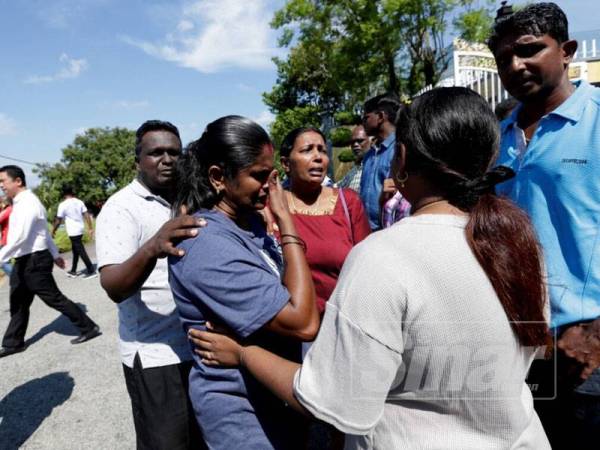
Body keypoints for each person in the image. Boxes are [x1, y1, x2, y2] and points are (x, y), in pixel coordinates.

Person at [190, 88, 552, 449]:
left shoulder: (383, 257)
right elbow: (534, 359)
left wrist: (242, 353)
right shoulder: (520, 246)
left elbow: (329, 402)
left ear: (402, 158)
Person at [168, 115, 320, 450]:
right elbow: (302, 320)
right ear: (218, 177)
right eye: (258, 176)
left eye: (272, 175)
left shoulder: (249, 224)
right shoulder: (204, 244)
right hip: (244, 413)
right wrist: (287, 223)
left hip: (276, 396)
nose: (270, 186)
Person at [488, 3, 600, 447]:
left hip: (587, 356)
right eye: (503, 59)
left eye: (530, 50)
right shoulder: (499, 138)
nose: (515, 65)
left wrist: (594, 332)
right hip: (521, 351)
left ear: (567, 50)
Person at [96, 120, 205, 450]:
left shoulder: (190, 198)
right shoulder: (121, 208)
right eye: (156, 153)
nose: (167, 159)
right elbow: (113, 285)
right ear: (137, 160)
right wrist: (153, 247)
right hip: (156, 356)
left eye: (174, 152)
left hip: (200, 348)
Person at [0, 165, 101, 358]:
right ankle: (13, 343)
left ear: (18, 181)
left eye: (3, 181)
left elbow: (20, 237)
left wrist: (1, 257)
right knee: (18, 301)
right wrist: (55, 254)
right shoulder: (20, 203)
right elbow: (44, 233)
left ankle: (89, 328)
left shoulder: (28, 203)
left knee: (54, 298)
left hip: (34, 261)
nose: (1, 186)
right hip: (25, 260)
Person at [280, 127, 371, 315]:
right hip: (289, 328)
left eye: (322, 150)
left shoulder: (348, 202)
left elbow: (366, 268)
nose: (318, 157)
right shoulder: (272, 206)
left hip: (342, 321)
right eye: (307, 150)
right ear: (286, 164)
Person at [359, 93, 401, 230]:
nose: (363, 123)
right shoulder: (369, 154)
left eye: (366, 117)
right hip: (367, 229)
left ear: (381, 117)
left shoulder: (400, 149)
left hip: (390, 228)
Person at [51, 186, 96, 279]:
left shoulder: (63, 205)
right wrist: (90, 228)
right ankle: (73, 271)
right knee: (75, 249)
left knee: (80, 249)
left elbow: (58, 220)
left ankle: (91, 269)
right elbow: (86, 215)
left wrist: (53, 230)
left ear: (63, 194)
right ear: (72, 192)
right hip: (80, 228)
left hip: (73, 230)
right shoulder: (79, 202)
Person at [336, 125, 371, 191]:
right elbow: (338, 188)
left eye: (360, 141)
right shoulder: (355, 169)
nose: (355, 145)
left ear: (372, 141)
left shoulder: (375, 167)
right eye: (352, 142)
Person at [0, 196, 13, 275]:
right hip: (9, 239)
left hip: (6, 240)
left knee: (3, 261)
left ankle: (17, 280)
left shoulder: (8, 210)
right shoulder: (12, 209)